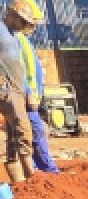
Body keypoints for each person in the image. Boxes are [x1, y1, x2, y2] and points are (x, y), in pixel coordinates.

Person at [1, 0, 43, 184]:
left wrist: (27, 91)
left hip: (17, 90)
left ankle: (19, 184)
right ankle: (31, 177)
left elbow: (19, 66)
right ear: (13, 15)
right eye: (24, 22)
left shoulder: (13, 35)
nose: (25, 26)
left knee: (13, 136)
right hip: (6, 90)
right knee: (23, 129)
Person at [16, 22, 58, 173]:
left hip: (31, 96)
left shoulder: (23, 40)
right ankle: (46, 169)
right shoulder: (15, 40)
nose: (34, 28)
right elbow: (18, 70)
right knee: (36, 130)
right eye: (32, 24)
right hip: (24, 96)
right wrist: (28, 93)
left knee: (36, 130)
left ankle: (38, 167)